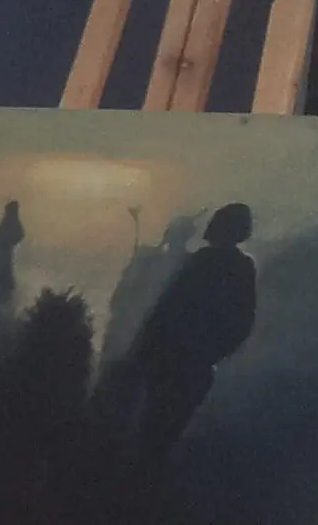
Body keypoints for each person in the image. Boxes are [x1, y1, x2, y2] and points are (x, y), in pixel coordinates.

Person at [105, 200, 258, 468]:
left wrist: (144, 349)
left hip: (175, 360)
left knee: (152, 431)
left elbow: (167, 308)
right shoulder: (236, 266)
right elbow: (241, 321)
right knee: (162, 432)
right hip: (187, 362)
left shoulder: (206, 262)